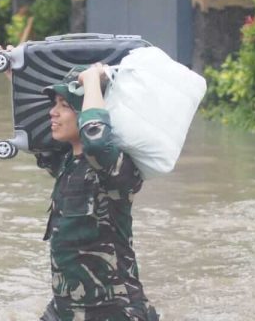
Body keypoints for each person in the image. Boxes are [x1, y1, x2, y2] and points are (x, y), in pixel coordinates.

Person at [19, 59, 159, 321]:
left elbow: (96, 141)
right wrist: (13, 75)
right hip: (64, 310)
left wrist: (93, 81)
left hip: (114, 312)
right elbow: (38, 132)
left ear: (87, 114)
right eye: (54, 105)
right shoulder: (66, 162)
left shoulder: (114, 169)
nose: (53, 113)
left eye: (65, 106)